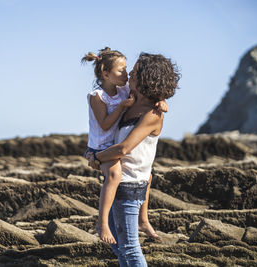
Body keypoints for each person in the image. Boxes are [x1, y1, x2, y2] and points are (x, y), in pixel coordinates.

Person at [88, 52, 180, 266]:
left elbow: (123, 148)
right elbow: (108, 91)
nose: (129, 73)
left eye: (135, 71)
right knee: (118, 246)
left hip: (130, 189)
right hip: (119, 184)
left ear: (147, 79)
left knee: (130, 248)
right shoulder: (131, 99)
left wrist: (96, 157)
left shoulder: (152, 114)